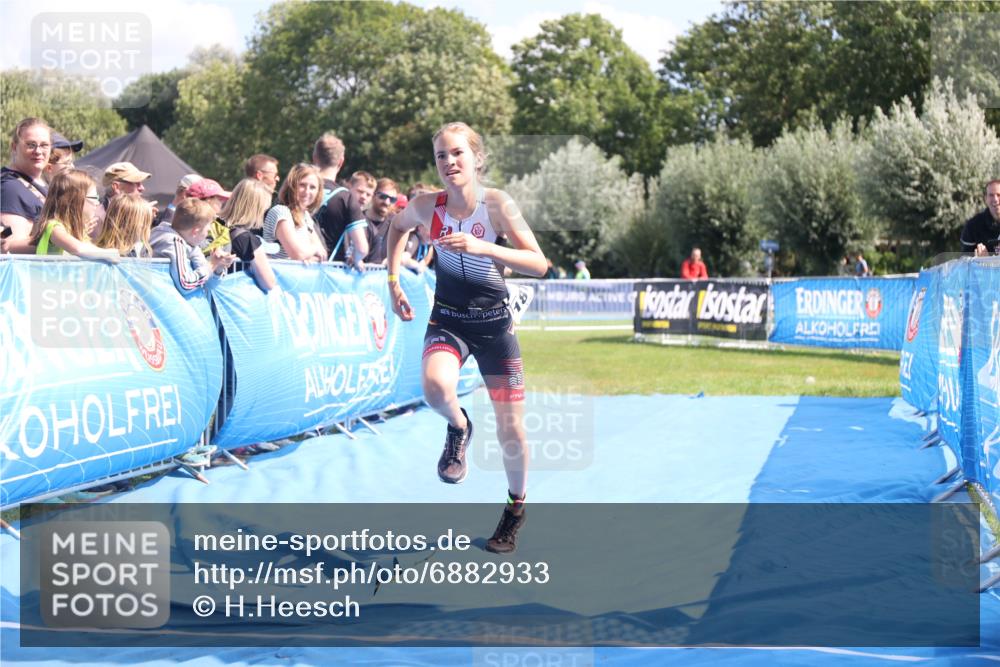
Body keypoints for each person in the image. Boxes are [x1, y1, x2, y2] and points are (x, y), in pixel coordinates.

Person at [386, 122, 547, 554]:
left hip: (494, 326)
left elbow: (539, 263)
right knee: (435, 386)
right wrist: (392, 278)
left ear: (477, 158)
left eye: (458, 153)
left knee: (511, 430)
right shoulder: (426, 206)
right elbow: (395, 229)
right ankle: (459, 427)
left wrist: (487, 249)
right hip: (449, 321)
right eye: (441, 155)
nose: (449, 162)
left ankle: (515, 509)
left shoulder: (497, 205)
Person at [27, 169, 118, 260]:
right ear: (75, 200)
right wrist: (110, 253)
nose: (97, 202)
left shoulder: (77, 231)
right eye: (94, 197)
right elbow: (78, 249)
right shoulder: (54, 227)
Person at [150, 198, 234, 294]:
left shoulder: (191, 243)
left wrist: (218, 266)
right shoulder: (174, 242)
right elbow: (185, 285)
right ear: (196, 231)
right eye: (207, 230)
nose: (207, 234)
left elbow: (209, 285)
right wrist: (212, 265)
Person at [311, 132, 368, 268]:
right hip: (331, 271)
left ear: (314, 158)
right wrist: (355, 258)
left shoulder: (298, 190)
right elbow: (362, 248)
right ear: (341, 162)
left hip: (296, 269)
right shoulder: (345, 197)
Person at [1, 118, 51, 254]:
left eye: (44, 145)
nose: (38, 151)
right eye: (31, 145)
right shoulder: (10, 188)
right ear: (14, 147)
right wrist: (61, 240)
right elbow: (8, 244)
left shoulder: (42, 184)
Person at [218, 178, 277, 292]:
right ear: (257, 209)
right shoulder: (247, 239)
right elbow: (269, 283)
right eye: (265, 208)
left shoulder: (214, 225)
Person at [262, 163, 327, 262]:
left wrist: (309, 257)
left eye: (312, 187)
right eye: (302, 185)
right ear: (292, 186)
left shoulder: (306, 216)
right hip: (278, 276)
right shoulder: (281, 212)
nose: (307, 191)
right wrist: (314, 249)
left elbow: (323, 255)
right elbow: (298, 254)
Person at [362, 177, 399, 265]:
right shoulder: (357, 219)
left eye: (392, 199)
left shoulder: (395, 225)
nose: (387, 202)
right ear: (373, 195)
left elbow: (404, 253)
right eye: (383, 196)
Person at [960, 179, 1000, 256]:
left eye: (999, 195)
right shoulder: (972, 226)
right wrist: (980, 261)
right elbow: (965, 261)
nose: (995, 199)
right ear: (986, 199)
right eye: (991, 195)